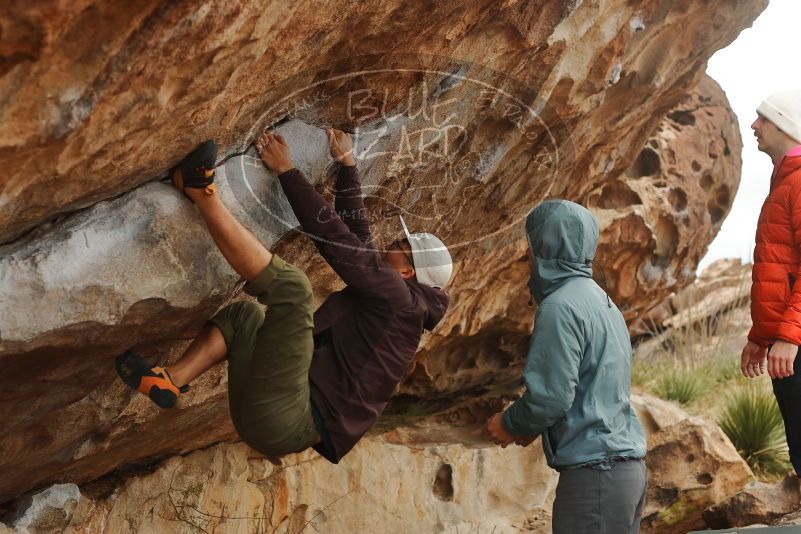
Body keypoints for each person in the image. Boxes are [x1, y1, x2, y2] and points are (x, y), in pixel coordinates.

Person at [116, 128, 452, 463]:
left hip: (289, 415)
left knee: (293, 289)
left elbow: (335, 240)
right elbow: (356, 238)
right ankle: (170, 381)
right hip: (274, 423)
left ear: (408, 272)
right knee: (245, 318)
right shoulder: (401, 307)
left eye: (398, 246)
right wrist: (347, 165)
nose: (390, 244)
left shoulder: (399, 300)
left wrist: (286, 170)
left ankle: (199, 190)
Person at [485, 200, 647, 533]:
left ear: (544, 246)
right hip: (626, 475)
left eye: (530, 245)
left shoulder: (560, 306)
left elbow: (552, 398)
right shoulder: (603, 303)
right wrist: (536, 426)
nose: (526, 255)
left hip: (596, 478)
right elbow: (592, 389)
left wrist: (510, 422)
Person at [740, 89, 801, 475]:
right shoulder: (784, 183)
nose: (754, 126)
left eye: (763, 119)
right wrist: (760, 337)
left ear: (785, 125)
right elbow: (780, 270)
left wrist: (789, 337)